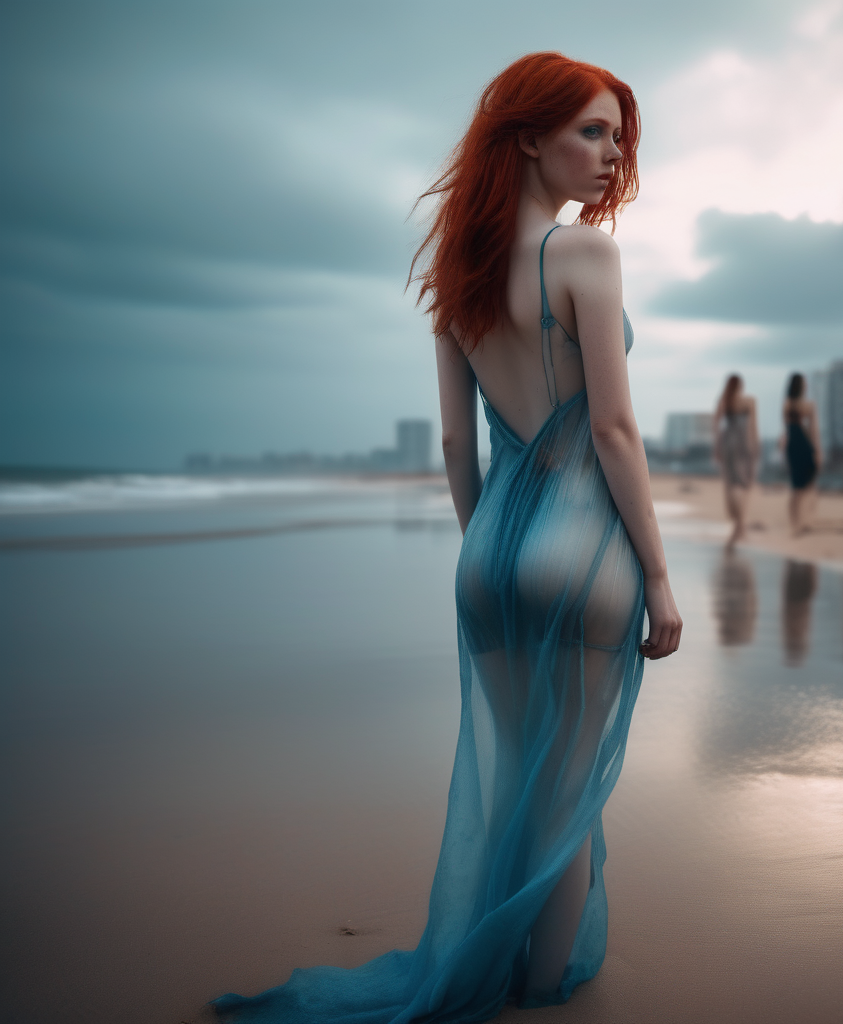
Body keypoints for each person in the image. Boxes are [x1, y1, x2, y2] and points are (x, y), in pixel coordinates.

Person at [214, 52, 681, 1022]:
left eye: (616, 135)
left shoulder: (455, 280)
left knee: (516, 767)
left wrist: (493, 553)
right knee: (566, 792)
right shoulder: (585, 255)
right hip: (585, 548)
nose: (611, 154)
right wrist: (663, 579)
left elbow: (456, 445)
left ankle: (504, 964)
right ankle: (544, 991)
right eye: (590, 131)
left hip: (490, 553)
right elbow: (611, 430)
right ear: (527, 139)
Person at [713, 373, 758, 549]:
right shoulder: (749, 401)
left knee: (731, 484)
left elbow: (716, 426)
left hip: (729, 442)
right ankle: (740, 527)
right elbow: (753, 426)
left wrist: (717, 447)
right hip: (744, 443)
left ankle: (739, 528)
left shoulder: (724, 400)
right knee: (742, 484)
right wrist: (754, 447)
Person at [781, 372, 820, 536]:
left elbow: (786, 429)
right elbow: (813, 431)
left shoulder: (787, 404)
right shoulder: (809, 405)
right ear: (801, 386)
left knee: (797, 488)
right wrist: (817, 451)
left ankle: (797, 523)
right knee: (806, 487)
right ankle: (802, 522)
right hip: (803, 445)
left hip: (793, 445)